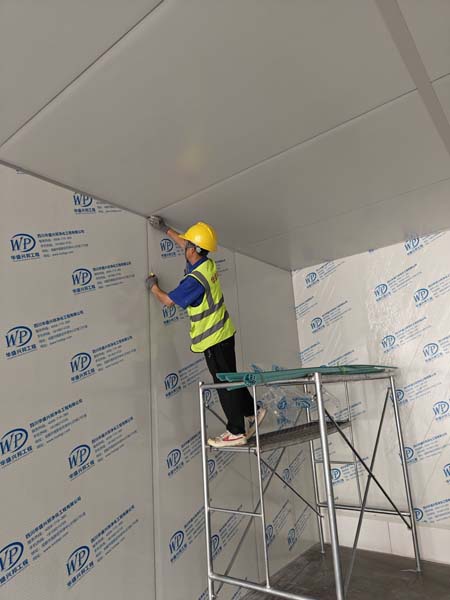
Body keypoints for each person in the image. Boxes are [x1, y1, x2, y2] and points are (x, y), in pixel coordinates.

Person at [146, 215, 266, 447]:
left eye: (188, 245)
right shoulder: (206, 263)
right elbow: (186, 243)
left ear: (194, 250)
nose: (185, 246)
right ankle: (252, 410)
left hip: (214, 340)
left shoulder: (194, 281)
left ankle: (236, 431)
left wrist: (153, 287)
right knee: (230, 377)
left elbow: (168, 301)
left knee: (223, 383)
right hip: (224, 333)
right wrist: (165, 229)